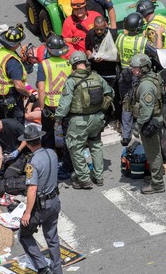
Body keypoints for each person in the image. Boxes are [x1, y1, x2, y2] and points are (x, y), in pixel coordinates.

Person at [55, 51, 114, 189]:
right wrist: (103, 108)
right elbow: (111, 92)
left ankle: (84, 179)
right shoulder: (97, 77)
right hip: (97, 118)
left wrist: (57, 118)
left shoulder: (71, 81)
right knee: (96, 145)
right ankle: (99, 177)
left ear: (73, 65)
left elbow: (65, 104)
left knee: (75, 148)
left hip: (79, 121)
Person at [17, 125, 62, 274]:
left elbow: (32, 189)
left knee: (24, 235)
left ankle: (42, 268)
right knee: (52, 239)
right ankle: (57, 271)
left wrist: (27, 213)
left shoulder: (33, 163)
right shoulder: (52, 153)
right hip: (55, 200)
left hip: (41, 206)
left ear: (28, 144)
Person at [115, 12, 162, 146]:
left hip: (124, 74)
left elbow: (117, 57)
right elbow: (158, 50)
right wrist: (158, 34)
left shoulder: (120, 38)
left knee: (126, 103)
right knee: (142, 102)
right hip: (138, 74)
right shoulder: (143, 41)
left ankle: (125, 135)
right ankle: (141, 127)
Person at [129, 53, 165, 194]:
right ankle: (157, 175)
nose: (133, 70)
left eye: (136, 68)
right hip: (154, 119)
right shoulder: (151, 77)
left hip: (149, 121)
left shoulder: (146, 85)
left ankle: (157, 184)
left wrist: (137, 126)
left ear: (144, 68)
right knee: (154, 150)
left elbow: (146, 110)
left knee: (153, 153)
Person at [37, 33, 72, 149]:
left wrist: (42, 108)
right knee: (68, 133)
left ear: (49, 50)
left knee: (48, 134)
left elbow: (41, 88)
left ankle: (50, 157)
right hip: (66, 105)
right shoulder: (68, 64)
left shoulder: (44, 65)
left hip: (50, 106)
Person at [0, 24, 31, 124]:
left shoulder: (1, 51)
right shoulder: (12, 62)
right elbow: (18, 85)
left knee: (6, 123)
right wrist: (28, 94)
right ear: (17, 44)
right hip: (10, 96)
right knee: (17, 123)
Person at [85, 16, 120, 123]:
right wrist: (92, 56)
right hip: (98, 71)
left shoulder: (113, 35)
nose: (99, 31)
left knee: (115, 95)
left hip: (112, 71)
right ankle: (105, 115)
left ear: (106, 26)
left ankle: (117, 116)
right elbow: (87, 49)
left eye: (101, 29)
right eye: (97, 29)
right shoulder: (90, 34)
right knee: (101, 95)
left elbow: (118, 51)